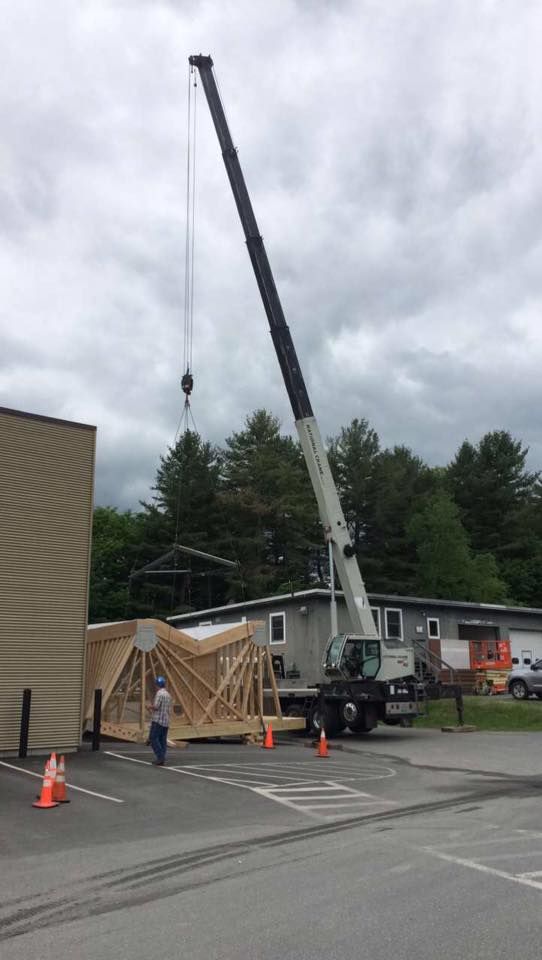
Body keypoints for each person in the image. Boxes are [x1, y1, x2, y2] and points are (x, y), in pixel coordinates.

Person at [148, 676, 173, 765]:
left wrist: (149, 707)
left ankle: (160, 757)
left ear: (157, 685)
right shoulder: (168, 694)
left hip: (158, 720)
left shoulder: (159, 694)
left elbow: (156, 706)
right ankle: (162, 757)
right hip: (165, 721)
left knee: (153, 738)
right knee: (162, 740)